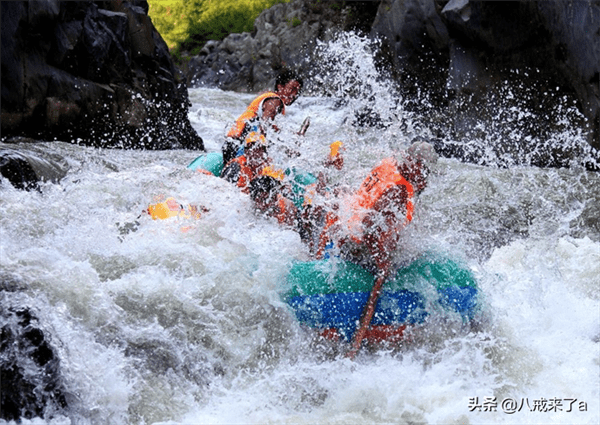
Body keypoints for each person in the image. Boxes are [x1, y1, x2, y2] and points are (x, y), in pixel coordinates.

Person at [248, 141, 439, 273]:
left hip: (340, 225)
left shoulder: (389, 163)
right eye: (424, 170)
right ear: (414, 164)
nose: (425, 176)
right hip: (352, 244)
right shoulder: (398, 190)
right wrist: (382, 263)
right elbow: (370, 226)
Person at [222, 69, 304, 166]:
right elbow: (263, 124)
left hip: (230, 146)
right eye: (292, 89)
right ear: (280, 87)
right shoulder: (275, 101)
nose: (294, 95)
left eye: (297, 92)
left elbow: (272, 133)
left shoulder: (270, 100)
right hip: (240, 149)